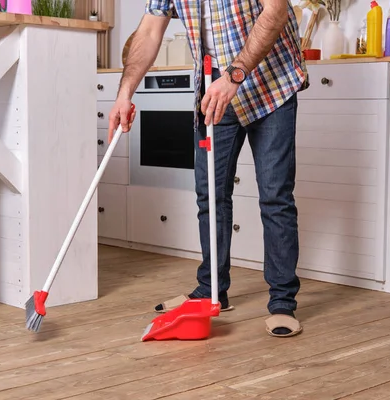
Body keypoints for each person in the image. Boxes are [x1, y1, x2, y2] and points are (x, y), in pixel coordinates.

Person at [108, 0, 309, 338]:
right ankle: (212, 290)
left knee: (275, 196)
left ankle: (282, 301)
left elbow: (274, 13)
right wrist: (124, 93)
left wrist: (234, 75)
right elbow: (148, 31)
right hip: (215, 88)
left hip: (270, 81)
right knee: (210, 196)